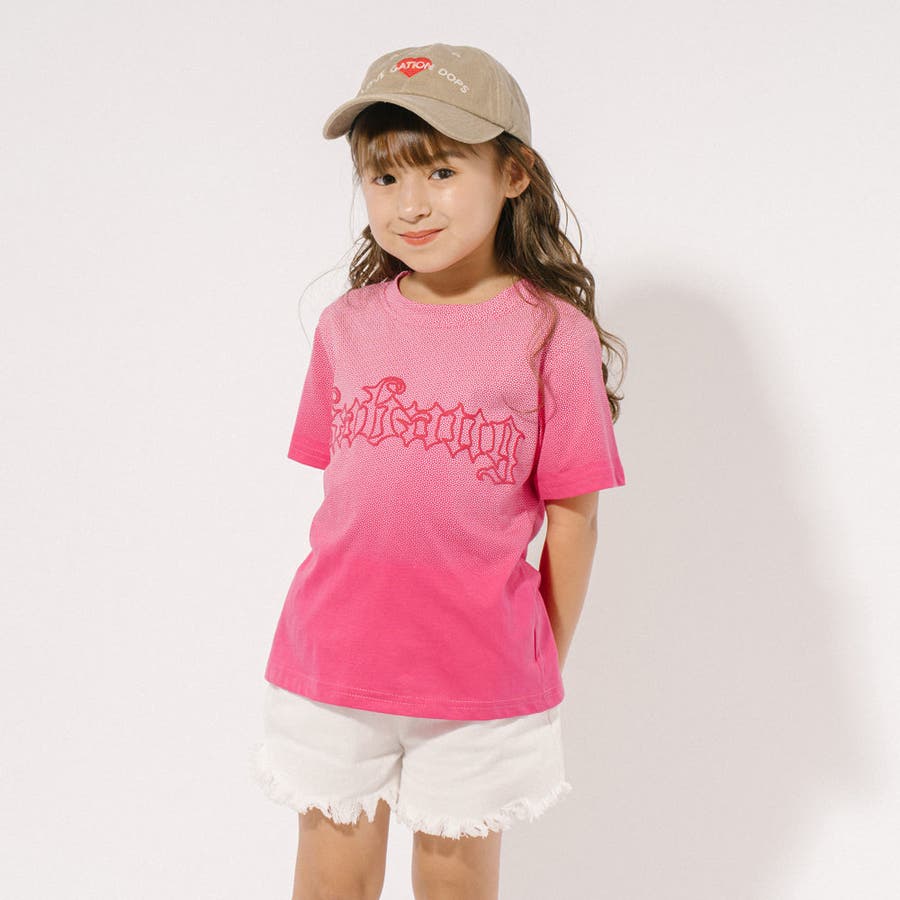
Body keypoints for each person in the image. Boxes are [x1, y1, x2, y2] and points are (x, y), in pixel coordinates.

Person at [249, 42, 627, 900]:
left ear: (514, 173)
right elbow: (352, 501)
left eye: (442, 171)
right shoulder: (346, 326)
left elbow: (574, 517)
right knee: (330, 883)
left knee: (456, 886)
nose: (410, 204)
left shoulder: (551, 335)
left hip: (480, 677)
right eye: (384, 178)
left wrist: (540, 654)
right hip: (333, 663)